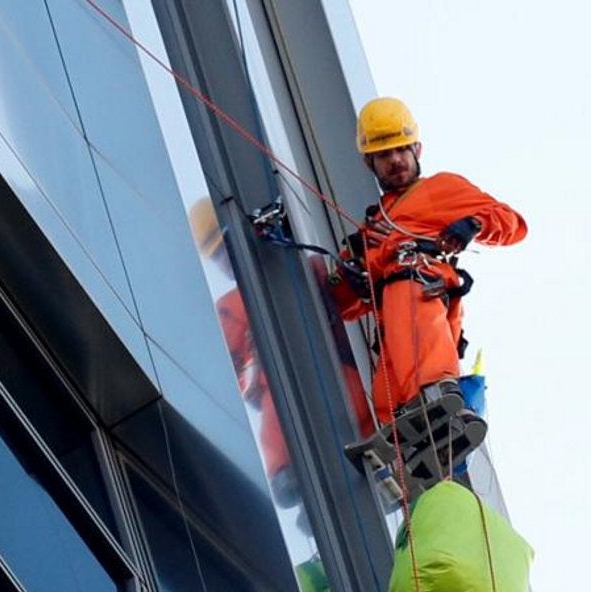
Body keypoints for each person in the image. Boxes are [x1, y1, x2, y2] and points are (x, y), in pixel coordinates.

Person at [333, 97, 527, 481]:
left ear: (416, 148)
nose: (396, 160)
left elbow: (512, 223)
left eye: (401, 149)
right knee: (388, 381)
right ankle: (406, 435)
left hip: (423, 292)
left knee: (410, 302)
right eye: (384, 154)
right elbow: (342, 304)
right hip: (394, 318)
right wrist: (352, 279)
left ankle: (437, 395)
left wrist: (472, 223)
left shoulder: (442, 188)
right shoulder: (372, 229)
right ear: (369, 163)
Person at [190, 197, 373, 508]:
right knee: (281, 414)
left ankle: (369, 452)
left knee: (353, 398)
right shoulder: (231, 307)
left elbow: (340, 298)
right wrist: (250, 375)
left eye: (225, 247)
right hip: (281, 380)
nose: (225, 260)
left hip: (331, 363)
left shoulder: (300, 266)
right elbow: (222, 368)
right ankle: (287, 475)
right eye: (217, 255)